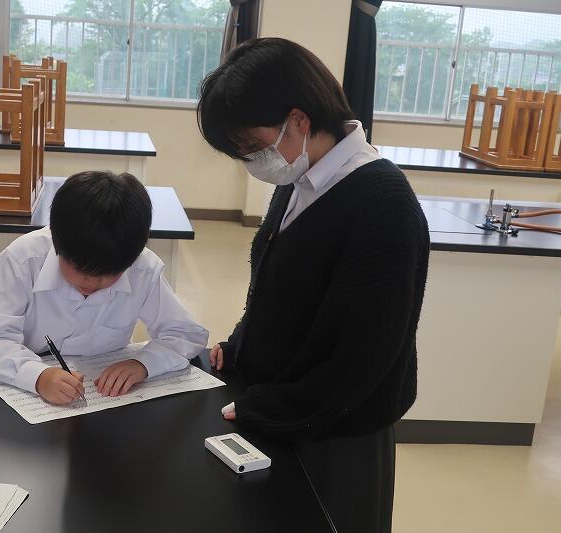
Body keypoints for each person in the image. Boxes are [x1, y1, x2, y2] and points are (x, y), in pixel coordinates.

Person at [197, 38, 429, 532]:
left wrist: (268, 409)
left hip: (335, 433)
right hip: (282, 411)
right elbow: (278, 288)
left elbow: (364, 358)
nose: (250, 161)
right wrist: (238, 346)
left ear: (299, 120)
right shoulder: (300, 179)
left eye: (252, 146)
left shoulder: (382, 203)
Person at [0, 171, 209, 405]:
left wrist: (143, 364)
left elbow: (185, 334)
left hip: (105, 399)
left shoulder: (142, 269)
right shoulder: (22, 260)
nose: (91, 283)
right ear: (56, 241)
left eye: (108, 275)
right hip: (28, 392)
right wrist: (37, 376)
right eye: (80, 269)